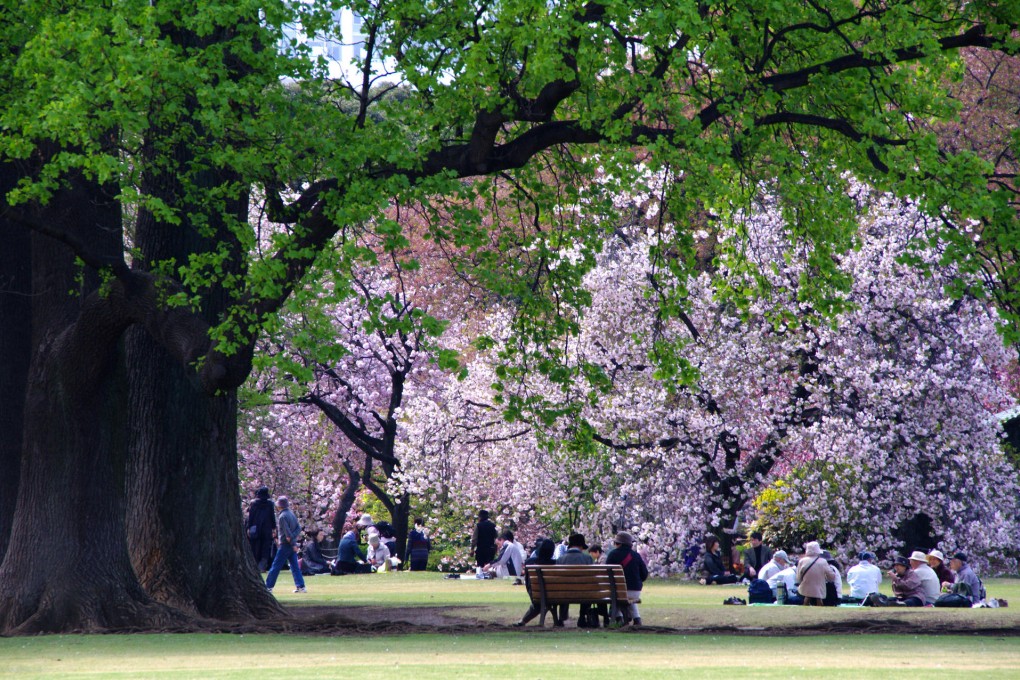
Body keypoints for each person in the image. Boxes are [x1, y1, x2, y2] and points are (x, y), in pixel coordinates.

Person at [264, 496, 306, 594]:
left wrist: (292, 543)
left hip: (286, 544)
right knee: (295, 566)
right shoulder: (291, 514)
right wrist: (294, 541)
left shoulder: (282, 516)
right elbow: (298, 528)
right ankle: (301, 586)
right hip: (291, 544)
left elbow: (287, 534)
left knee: (276, 566)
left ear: (279, 506)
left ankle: (268, 586)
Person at [512, 538, 558, 627]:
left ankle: (522, 621)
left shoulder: (530, 562)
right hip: (557, 596)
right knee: (541, 603)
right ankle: (560, 620)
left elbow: (527, 582)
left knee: (538, 604)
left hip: (536, 595)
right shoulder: (556, 563)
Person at [606, 532, 648, 625]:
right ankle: (637, 619)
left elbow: (606, 574)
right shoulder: (636, 555)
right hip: (635, 590)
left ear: (618, 543)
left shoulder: (612, 554)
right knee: (627, 597)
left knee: (618, 595)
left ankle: (619, 618)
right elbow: (644, 575)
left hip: (617, 591)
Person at [556, 533, 595, 626]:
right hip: (584, 593)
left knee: (563, 586)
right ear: (581, 546)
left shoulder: (560, 559)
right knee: (587, 588)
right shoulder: (587, 558)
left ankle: (562, 618)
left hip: (563, 593)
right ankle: (582, 617)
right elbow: (592, 578)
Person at [245, 486, 276, 572]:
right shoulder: (270, 504)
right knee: (265, 548)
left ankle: (255, 565)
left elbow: (251, 517)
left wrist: (248, 527)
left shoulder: (254, 504)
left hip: (256, 528)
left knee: (256, 547)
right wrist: (274, 528)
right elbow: (272, 517)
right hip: (267, 529)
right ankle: (262, 566)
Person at [795, 541, 835, 606]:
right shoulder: (823, 561)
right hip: (819, 588)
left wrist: (799, 582)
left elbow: (799, 576)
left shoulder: (802, 561)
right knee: (819, 600)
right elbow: (831, 575)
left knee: (806, 599)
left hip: (805, 587)